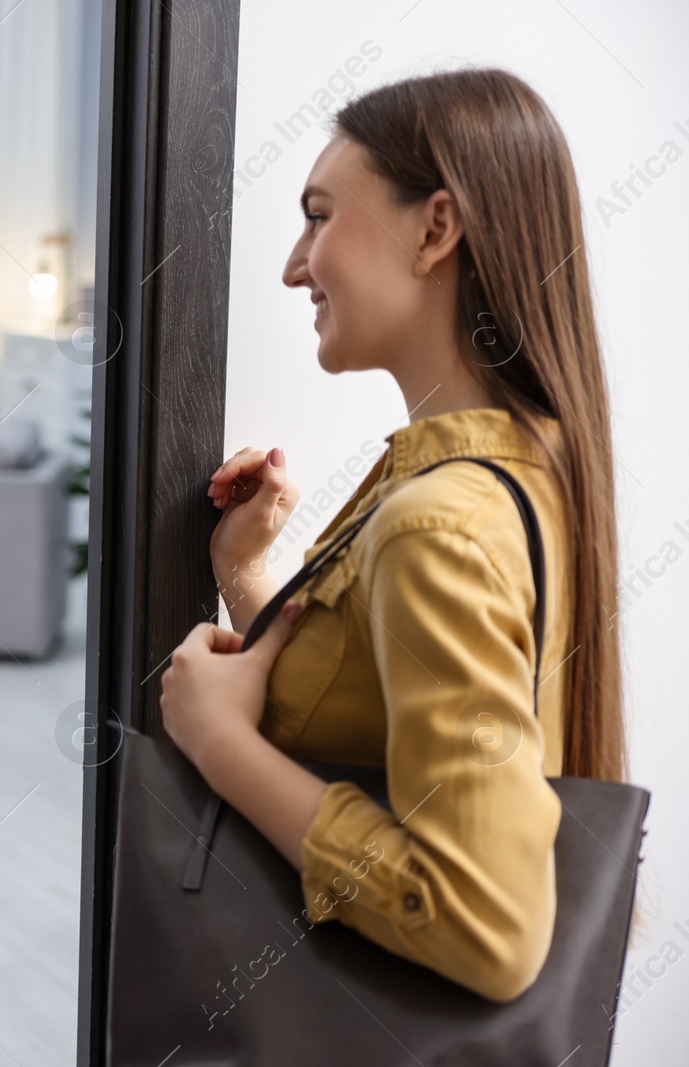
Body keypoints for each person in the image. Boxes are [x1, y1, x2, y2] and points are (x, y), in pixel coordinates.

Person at [158, 68, 623, 1002]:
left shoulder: (437, 520)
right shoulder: (524, 473)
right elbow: (372, 719)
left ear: (437, 229)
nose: (296, 264)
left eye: (320, 217)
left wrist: (219, 744)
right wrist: (249, 575)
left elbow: (487, 928)